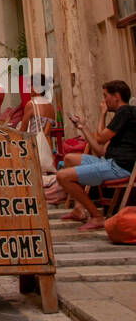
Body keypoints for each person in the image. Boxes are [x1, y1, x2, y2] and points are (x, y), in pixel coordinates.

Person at [56, 80, 136, 230]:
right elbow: (100, 150)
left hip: (119, 167)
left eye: (106, 96)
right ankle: (79, 209)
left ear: (116, 96)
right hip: (108, 161)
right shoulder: (122, 116)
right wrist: (82, 127)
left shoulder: (125, 112)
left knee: (62, 176)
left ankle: (97, 216)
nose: (104, 100)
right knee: (69, 158)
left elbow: (100, 137)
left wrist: (102, 114)